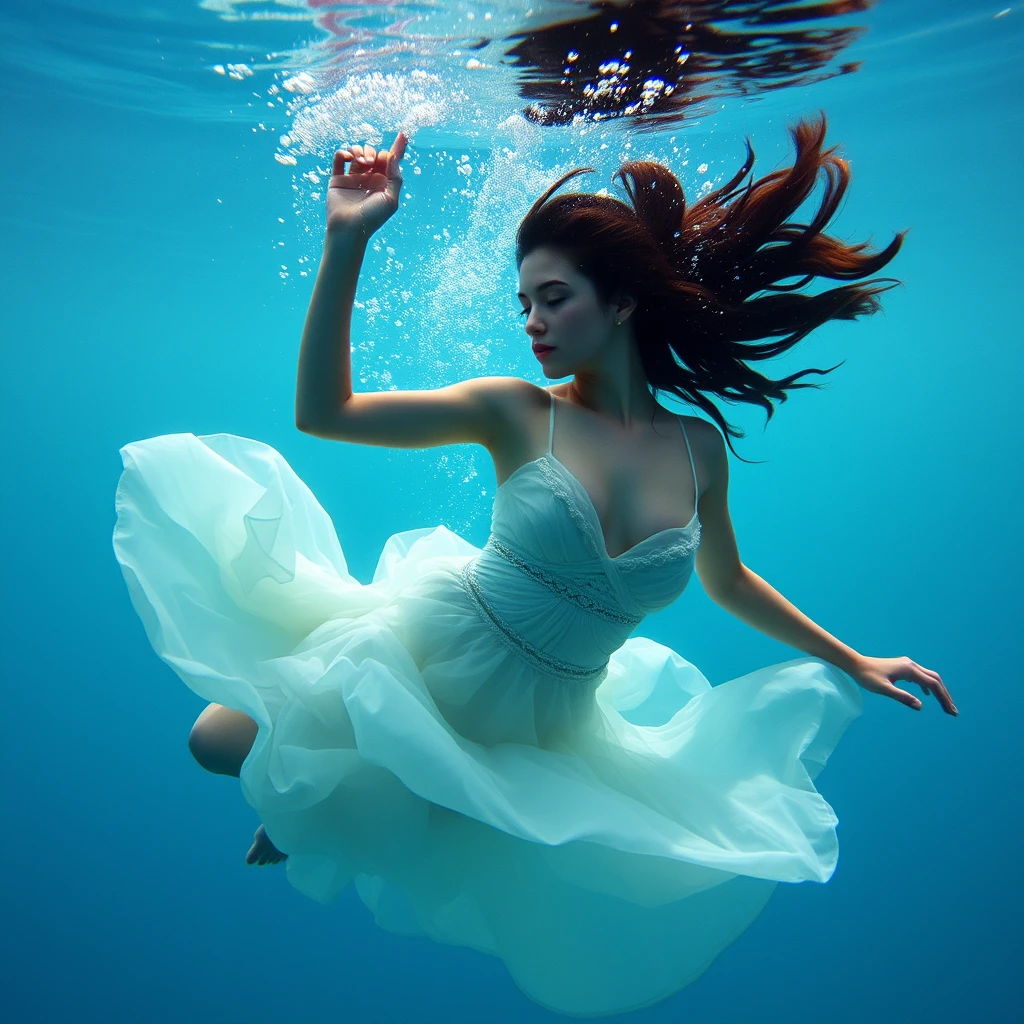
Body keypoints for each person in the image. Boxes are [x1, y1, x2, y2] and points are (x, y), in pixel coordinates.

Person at [112, 115, 956, 1017]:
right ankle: (317, 790)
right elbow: (326, 411)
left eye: (554, 299)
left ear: (622, 301)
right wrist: (346, 238)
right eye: (525, 304)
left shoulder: (698, 449)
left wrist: (853, 659)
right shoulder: (516, 411)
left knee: (453, 834)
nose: (533, 323)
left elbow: (728, 580)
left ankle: (330, 802)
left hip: (551, 720)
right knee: (215, 744)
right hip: (434, 646)